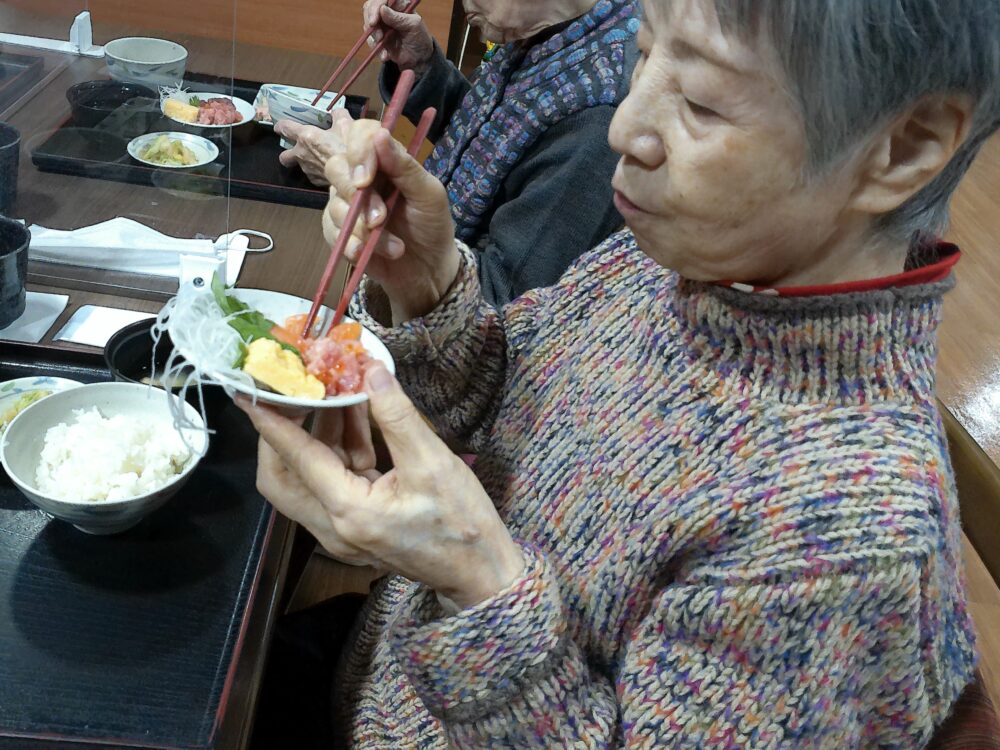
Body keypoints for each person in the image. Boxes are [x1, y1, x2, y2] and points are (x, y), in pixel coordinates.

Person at [240, 0, 1000, 745]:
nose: (623, 127)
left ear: (904, 149)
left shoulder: (847, 533)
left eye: (700, 102)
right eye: (641, 55)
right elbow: (502, 387)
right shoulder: (680, 259)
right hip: (389, 670)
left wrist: (478, 581)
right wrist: (428, 279)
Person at [277, 0, 639, 306]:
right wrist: (422, 68)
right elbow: (500, 146)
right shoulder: (552, 27)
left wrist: (362, 181)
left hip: (437, 352)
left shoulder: (600, 114)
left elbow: (506, 303)